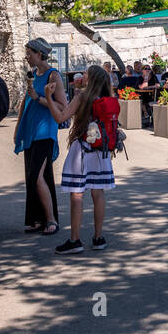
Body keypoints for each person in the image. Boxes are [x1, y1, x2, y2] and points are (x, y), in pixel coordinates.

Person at [42, 64, 119, 254]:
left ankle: (75, 240)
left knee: (77, 194)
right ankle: (98, 237)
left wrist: (49, 98)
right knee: (98, 193)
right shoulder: (109, 99)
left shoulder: (81, 98)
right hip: (100, 152)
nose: (83, 75)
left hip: (82, 151)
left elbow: (61, 118)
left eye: (86, 74)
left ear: (91, 79)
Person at [16, 38, 63, 236]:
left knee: (36, 176)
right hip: (30, 131)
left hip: (45, 132)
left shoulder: (54, 76)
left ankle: (51, 220)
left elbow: (62, 106)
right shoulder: (33, 75)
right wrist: (18, 127)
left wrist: (39, 98)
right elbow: (24, 102)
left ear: (40, 54)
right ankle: (36, 219)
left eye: (29, 53)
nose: (27, 57)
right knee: (33, 176)